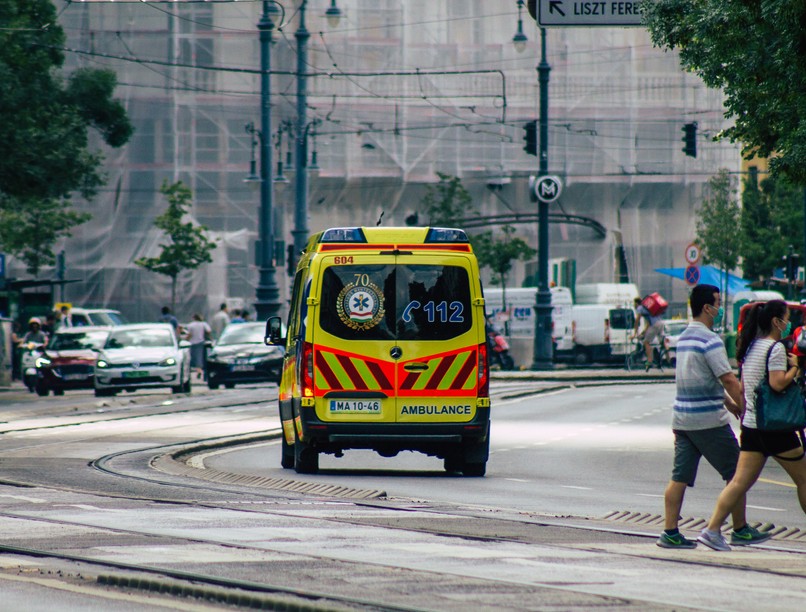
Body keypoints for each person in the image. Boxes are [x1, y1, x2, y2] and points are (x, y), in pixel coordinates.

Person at [657, 284, 772, 549]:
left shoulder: (685, 337)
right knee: (737, 474)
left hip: (682, 421)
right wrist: (744, 407)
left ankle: (670, 532)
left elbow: (700, 380)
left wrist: (729, 404)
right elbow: (729, 379)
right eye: (718, 303)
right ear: (707, 308)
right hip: (708, 422)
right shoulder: (710, 340)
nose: (720, 308)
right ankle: (740, 529)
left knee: (679, 478)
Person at [698, 299, 806, 551]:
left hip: (752, 427)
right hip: (776, 428)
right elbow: (778, 383)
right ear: (776, 322)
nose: (790, 323)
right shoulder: (775, 349)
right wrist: (795, 370)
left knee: (738, 483)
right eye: (787, 317)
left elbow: (745, 388)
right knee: (804, 479)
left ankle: (712, 530)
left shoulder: (751, 347)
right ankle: (713, 531)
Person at [632, 295, 664, 370]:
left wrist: (634, 334)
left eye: (634, 303)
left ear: (637, 303)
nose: (634, 305)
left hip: (655, 324)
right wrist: (643, 333)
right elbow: (648, 324)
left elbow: (637, 321)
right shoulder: (646, 308)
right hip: (661, 323)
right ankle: (668, 359)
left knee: (646, 342)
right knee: (662, 343)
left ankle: (649, 361)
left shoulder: (640, 308)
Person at [184, 313, 211, 379]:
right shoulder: (203, 324)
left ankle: (196, 370)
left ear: (193, 318)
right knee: (200, 357)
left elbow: (189, 334)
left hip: (192, 343)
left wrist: (185, 340)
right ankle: (199, 370)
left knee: (192, 357)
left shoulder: (191, 325)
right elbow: (209, 331)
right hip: (201, 342)